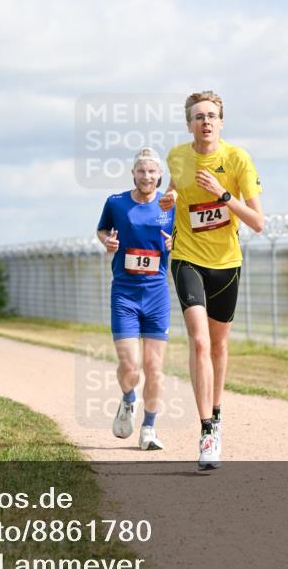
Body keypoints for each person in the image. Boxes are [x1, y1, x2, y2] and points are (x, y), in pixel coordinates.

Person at [159, 91, 265, 470]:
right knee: (200, 341)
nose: (205, 121)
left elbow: (257, 222)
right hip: (187, 257)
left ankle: (216, 414)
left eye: (211, 116)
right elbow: (174, 190)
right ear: (188, 124)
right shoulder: (177, 156)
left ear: (221, 122)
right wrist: (169, 198)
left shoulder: (237, 159)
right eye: (198, 116)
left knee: (218, 347)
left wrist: (223, 196)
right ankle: (206, 431)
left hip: (226, 264)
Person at [97, 148, 175, 451]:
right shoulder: (115, 202)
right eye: (141, 171)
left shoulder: (169, 205)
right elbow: (102, 230)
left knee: (154, 368)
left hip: (156, 294)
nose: (146, 176)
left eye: (152, 171)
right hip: (124, 293)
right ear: (133, 173)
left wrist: (176, 242)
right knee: (130, 367)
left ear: (160, 174)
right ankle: (128, 399)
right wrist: (108, 241)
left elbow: (184, 238)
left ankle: (149, 429)